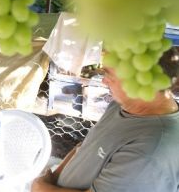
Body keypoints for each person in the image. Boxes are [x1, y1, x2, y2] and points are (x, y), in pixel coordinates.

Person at [31, 46, 179, 192]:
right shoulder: (121, 105)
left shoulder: (151, 150)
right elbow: (86, 146)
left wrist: (43, 189)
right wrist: (53, 179)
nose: (104, 81)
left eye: (109, 75)